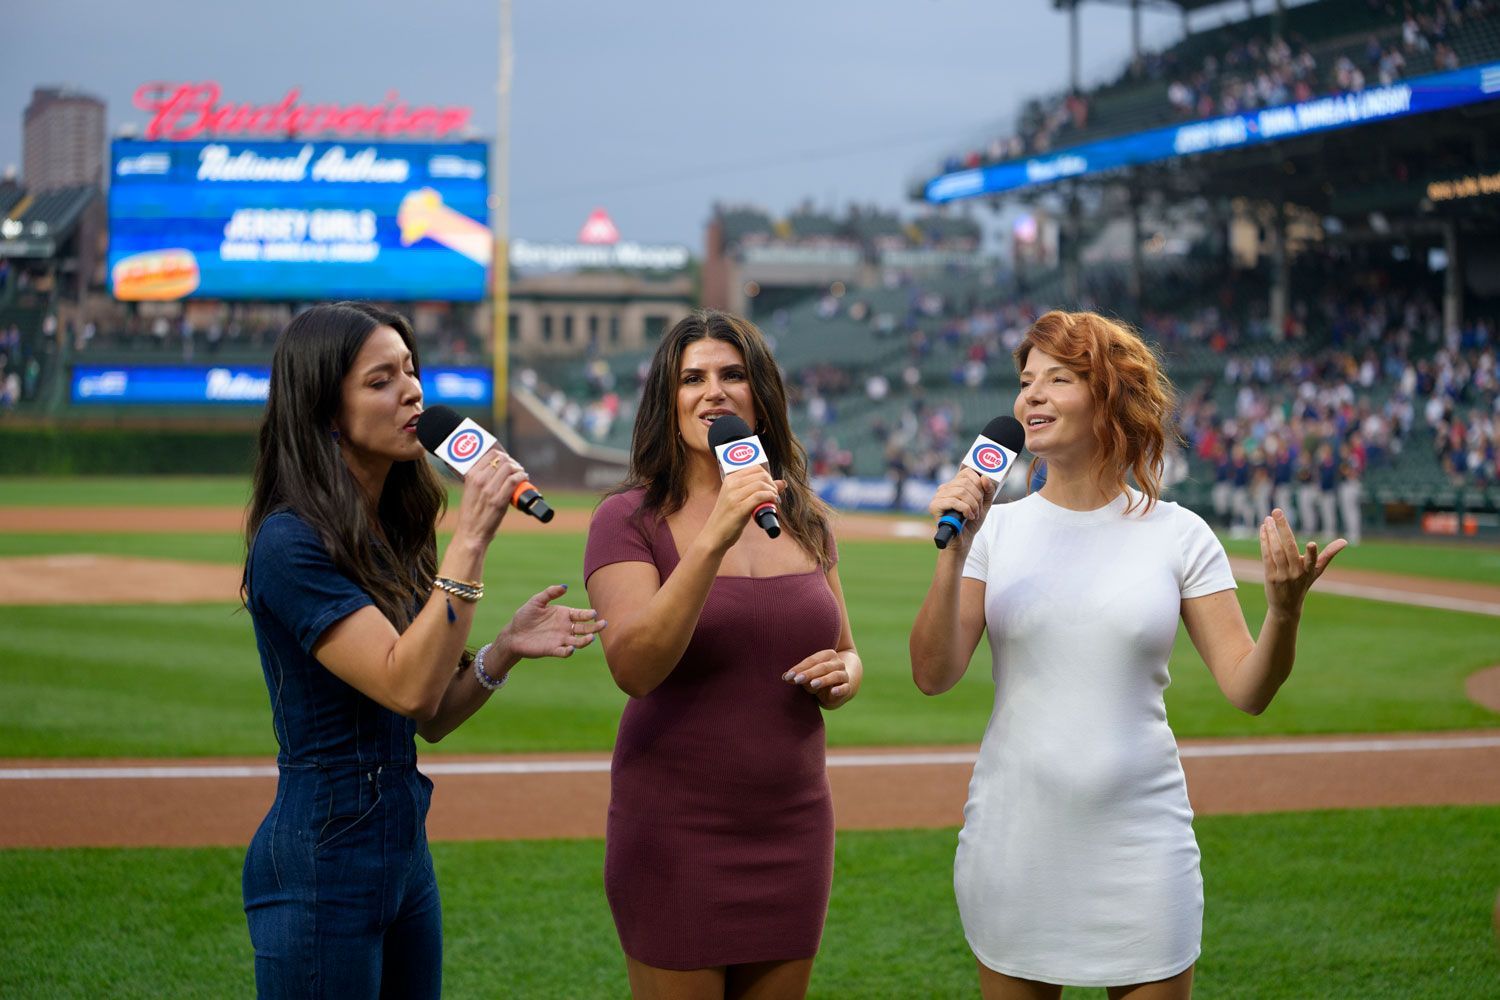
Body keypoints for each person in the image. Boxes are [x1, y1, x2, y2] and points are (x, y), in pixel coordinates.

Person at [909, 310, 1346, 999]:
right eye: (1027, 381)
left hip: (1142, 846)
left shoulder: (1180, 535)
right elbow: (932, 674)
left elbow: (1247, 688)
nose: (1033, 396)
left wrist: (1284, 614)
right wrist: (955, 550)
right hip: (1015, 840)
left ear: (1109, 394)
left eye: (1060, 378)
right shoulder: (994, 532)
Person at [241, 301, 604, 998]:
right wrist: (471, 538)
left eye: (411, 371)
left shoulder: (396, 527)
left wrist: (503, 650)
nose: (411, 390)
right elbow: (401, 686)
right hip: (323, 854)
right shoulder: (290, 543)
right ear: (324, 408)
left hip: (402, 848)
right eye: (380, 380)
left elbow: (428, 714)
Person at [583, 310, 863, 1000]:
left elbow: (848, 652)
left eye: (732, 374)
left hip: (794, 823)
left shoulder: (802, 514)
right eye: (692, 378)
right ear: (666, 401)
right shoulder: (629, 519)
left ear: (759, 396)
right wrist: (713, 536)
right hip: (675, 828)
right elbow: (634, 666)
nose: (714, 391)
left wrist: (844, 676)